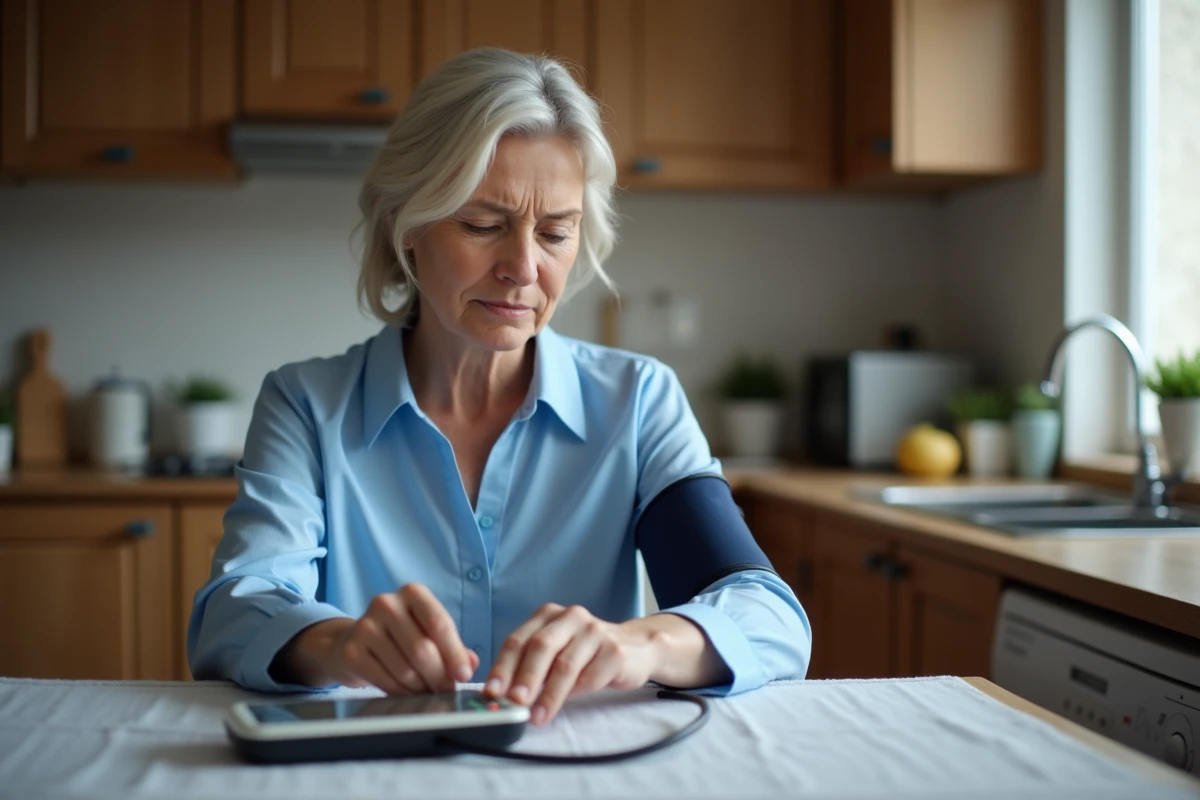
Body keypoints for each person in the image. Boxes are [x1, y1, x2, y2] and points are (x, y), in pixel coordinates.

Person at [188, 47, 811, 726]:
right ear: (406, 224)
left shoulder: (636, 403)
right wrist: (338, 644)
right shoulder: (308, 406)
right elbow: (233, 611)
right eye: (484, 224)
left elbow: (766, 611)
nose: (523, 267)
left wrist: (639, 644)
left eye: (555, 232)